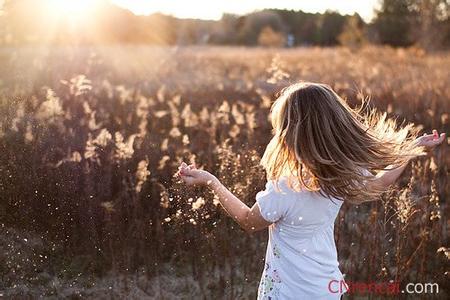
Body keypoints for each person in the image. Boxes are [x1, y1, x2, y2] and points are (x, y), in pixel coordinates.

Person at [177, 82, 446, 299]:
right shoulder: (341, 176)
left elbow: (249, 221)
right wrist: (412, 151)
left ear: (290, 134)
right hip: (326, 287)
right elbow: (379, 182)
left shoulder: (285, 189)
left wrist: (211, 180)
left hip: (285, 294)